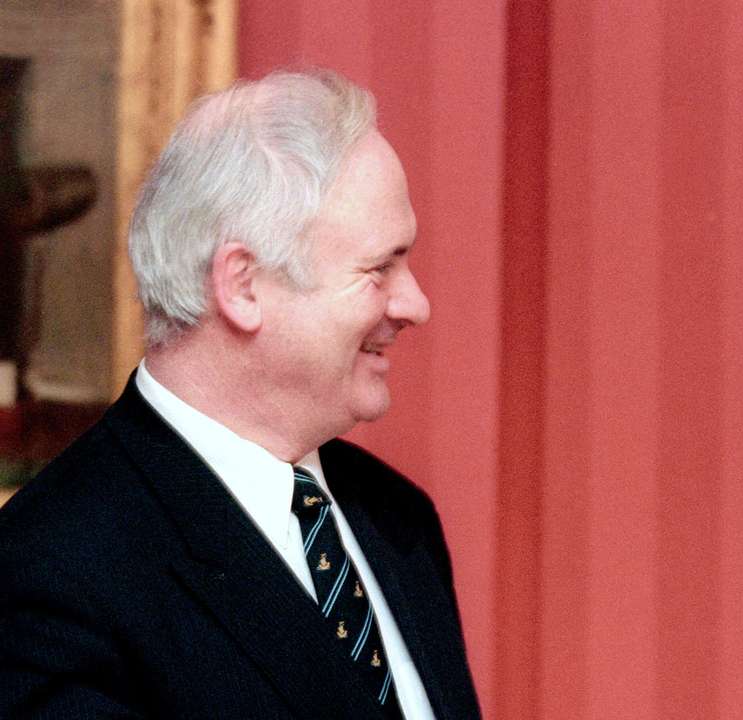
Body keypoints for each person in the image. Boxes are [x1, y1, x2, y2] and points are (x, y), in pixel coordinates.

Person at [0, 69, 481, 719]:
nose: (415, 304)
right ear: (243, 285)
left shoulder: (399, 521)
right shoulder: (48, 573)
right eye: (378, 269)